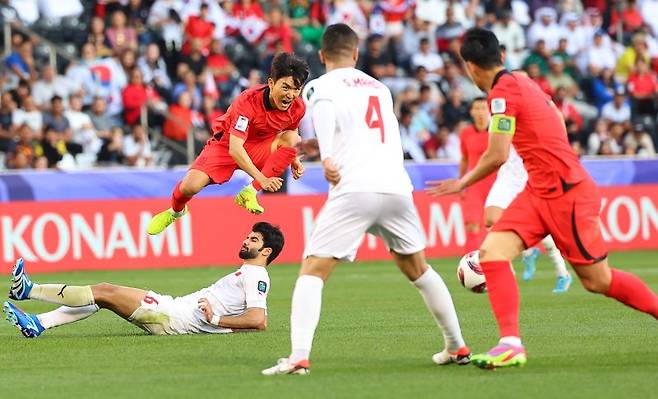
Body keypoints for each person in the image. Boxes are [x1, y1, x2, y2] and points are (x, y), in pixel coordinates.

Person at [427, 28, 658, 370]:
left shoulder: (501, 95)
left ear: (469, 68)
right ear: (502, 57)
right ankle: (510, 343)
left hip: (567, 195)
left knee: (598, 281)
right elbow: (556, 119)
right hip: (539, 191)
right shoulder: (522, 79)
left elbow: (497, 155)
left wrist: (461, 182)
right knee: (492, 252)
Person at [262, 24, 469, 376]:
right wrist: (324, 148)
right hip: (396, 188)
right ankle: (456, 345)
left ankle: (298, 356)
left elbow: (325, 110)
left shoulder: (319, 86)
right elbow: (365, 132)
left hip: (354, 188)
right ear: (356, 54)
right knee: (418, 269)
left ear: (323, 56)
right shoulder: (381, 88)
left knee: (312, 272)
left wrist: (326, 153)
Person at [3, 223, 283, 338]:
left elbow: (258, 320)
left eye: (254, 240)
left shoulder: (256, 275)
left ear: (266, 251)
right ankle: (39, 323)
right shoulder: (248, 272)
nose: (246, 240)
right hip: (173, 310)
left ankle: (29, 290)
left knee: (104, 290)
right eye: (249, 236)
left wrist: (216, 321)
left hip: (174, 317)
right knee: (103, 298)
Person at [147, 53, 308, 235]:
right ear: (271, 83)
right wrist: (261, 178)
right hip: (227, 144)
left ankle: (249, 192)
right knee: (189, 187)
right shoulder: (248, 102)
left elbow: (291, 133)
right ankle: (175, 212)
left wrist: (293, 158)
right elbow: (235, 148)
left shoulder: (298, 107)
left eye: (296, 89)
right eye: (285, 87)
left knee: (295, 140)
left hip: (260, 146)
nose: (290, 95)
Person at [483, 146, 572, 294]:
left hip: (529, 178)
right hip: (506, 178)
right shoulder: (498, 122)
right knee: (492, 219)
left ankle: (563, 274)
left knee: (542, 228)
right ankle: (527, 254)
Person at [459, 97, 497, 252]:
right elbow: (464, 159)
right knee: (472, 225)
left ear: (489, 111)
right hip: (474, 184)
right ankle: (471, 265)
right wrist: (461, 183)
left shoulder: (497, 131)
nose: (481, 112)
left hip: (495, 184)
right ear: (471, 112)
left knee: (496, 226)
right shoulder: (466, 133)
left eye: (483, 108)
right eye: (477, 108)